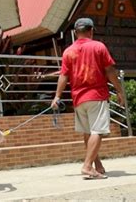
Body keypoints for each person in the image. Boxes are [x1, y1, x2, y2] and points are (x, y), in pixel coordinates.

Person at [51, 17, 125, 179]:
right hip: (96, 95)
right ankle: (87, 166)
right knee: (97, 131)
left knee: (88, 132)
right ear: (91, 30)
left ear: (76, 33)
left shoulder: (68, 51)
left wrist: (57, 96)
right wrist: (120, 91)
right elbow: (110, 71)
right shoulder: (98, 46)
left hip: (78, 98)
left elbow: (63, 76)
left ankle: (97, 165)